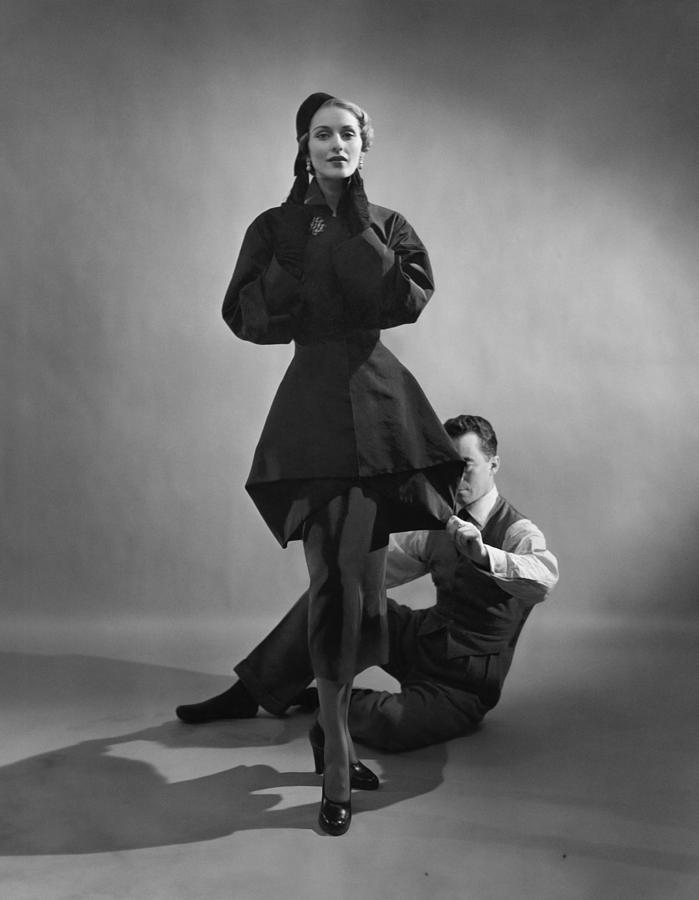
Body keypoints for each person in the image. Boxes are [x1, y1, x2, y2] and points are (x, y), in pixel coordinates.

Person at [218, 93, 464, 834]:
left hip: (386, 414)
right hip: (314, 415)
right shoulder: (273, 226)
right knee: (331, 588)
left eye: (347, 133)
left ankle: (328, 725)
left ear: (364, 144)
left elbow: (401, 299)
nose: (335, 143)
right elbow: (247, 316)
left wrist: (352, 220)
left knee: (368, 606)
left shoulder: (385, 223)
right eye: (321, 133)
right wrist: (294, 256)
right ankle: (333, 759)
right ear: (302, 144)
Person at [177, 414, 559, 752]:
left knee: (390, 725)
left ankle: (330, 703)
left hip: (460, 685)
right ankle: (250, 693)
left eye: (468, 466)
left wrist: (484, 556)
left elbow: (542, 578)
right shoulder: (444, 524)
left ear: (494, 464)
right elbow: (378, 568)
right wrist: (336, 558)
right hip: (419, 642)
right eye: (450, 467)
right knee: (334, 598)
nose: (457, 479)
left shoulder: (517, 531)